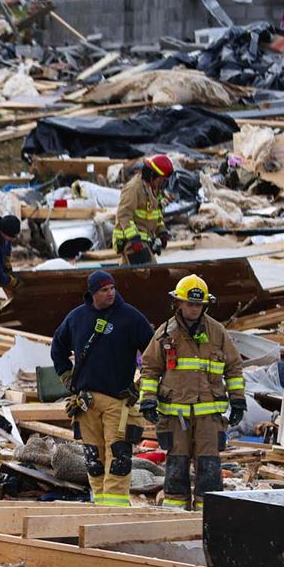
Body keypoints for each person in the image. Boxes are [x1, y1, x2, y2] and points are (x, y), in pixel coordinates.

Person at [138, 275, 246, 511]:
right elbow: (150, 368)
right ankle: (175, 517)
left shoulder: (217, 332)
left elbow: (234, 367)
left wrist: (238, 401)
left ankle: (207, 517)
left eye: (199, 304)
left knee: (209, 469)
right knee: (176, 468)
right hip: (176, 417)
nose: (195, 308)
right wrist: (147, 400)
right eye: (190, 303)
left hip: (209, 417)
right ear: (178, 303)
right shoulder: (166, 333)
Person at [51, 271, 154, 507]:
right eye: (104, 290)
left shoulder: (130, 317)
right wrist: (67, 378)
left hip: (118, 401)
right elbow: (58, 348)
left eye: (112, 288)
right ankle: (99, 505)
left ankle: (115, 509)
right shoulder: (77, 318)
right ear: (92, 293)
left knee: (119, 456)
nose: (111, 293)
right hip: (86, 403)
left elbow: (153, 355)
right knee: (93, 459)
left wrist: (141, 386)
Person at [113, 154, 173, 265]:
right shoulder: (134, 188)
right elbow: (124, 214)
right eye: (161, 180)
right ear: (152, 175)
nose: (162, 184)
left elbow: (156, 215)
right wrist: (134, 238)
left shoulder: (153, 190)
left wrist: (162, 232)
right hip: (132, 242)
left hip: (144, 241)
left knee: (129, 275)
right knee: (149, 273)